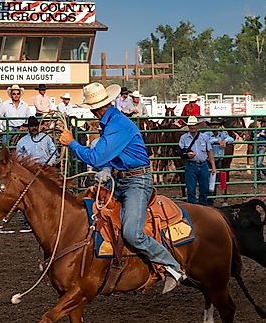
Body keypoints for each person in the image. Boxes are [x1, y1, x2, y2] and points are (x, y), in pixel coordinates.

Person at [56, 82, 185, 293]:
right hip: (121, 179)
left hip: (136, 181)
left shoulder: (117, 125)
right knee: (91, 211)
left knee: (132, 232)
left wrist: (72, 143)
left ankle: (172, 265)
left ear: (94, 108)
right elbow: (110, 156)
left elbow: (96, 157)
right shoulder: (111, 123)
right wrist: (108, 169)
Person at [178, 116, 216, 205]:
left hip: (203, 165)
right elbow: (180, 152)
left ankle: (202, 208)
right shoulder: (183, 138)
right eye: (190, 125)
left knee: (204, 189)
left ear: (197, 125)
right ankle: (193, 209)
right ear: (188, 126)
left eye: (194, 125)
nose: (192, 127)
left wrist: (213, 166)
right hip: (190, 165)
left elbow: (209, 151)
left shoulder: (204, 137)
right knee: (191, 190)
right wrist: (187, 155)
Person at [209, 121, 235, 198]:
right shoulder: (207, 134)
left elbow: (231, 139)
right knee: (211, 177)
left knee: (222, 175)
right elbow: (207, 140)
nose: (215, 127)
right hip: (210, 159)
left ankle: (223, 194)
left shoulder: (223, 135)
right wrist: (217, 140)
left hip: (219, 158)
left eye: (217, 125)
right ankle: (212, 195)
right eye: (213, 125)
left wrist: (224, 141)